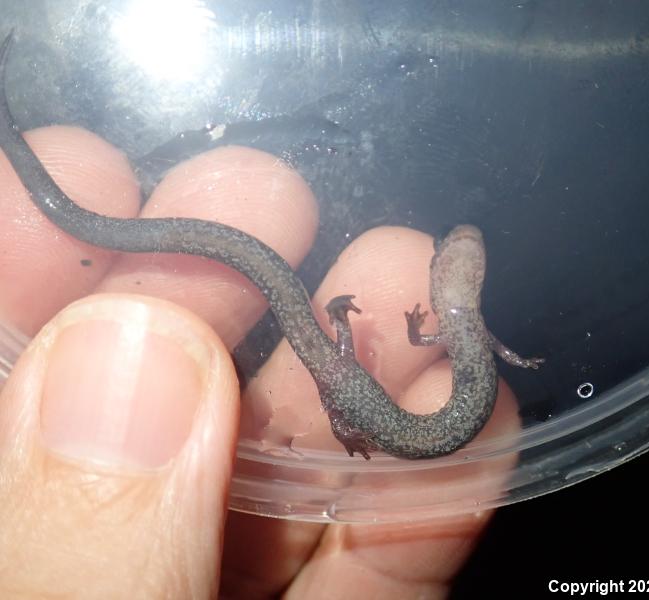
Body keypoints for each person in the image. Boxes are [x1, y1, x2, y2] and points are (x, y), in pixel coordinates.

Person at [0, 125, 523, 597]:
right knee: (336, 382)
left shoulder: (418, 347)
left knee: (332, 372)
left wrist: (345, 344)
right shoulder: (459, 334)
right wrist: (345, 419)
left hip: (355, 392)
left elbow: (357, 379)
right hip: (356, 395)